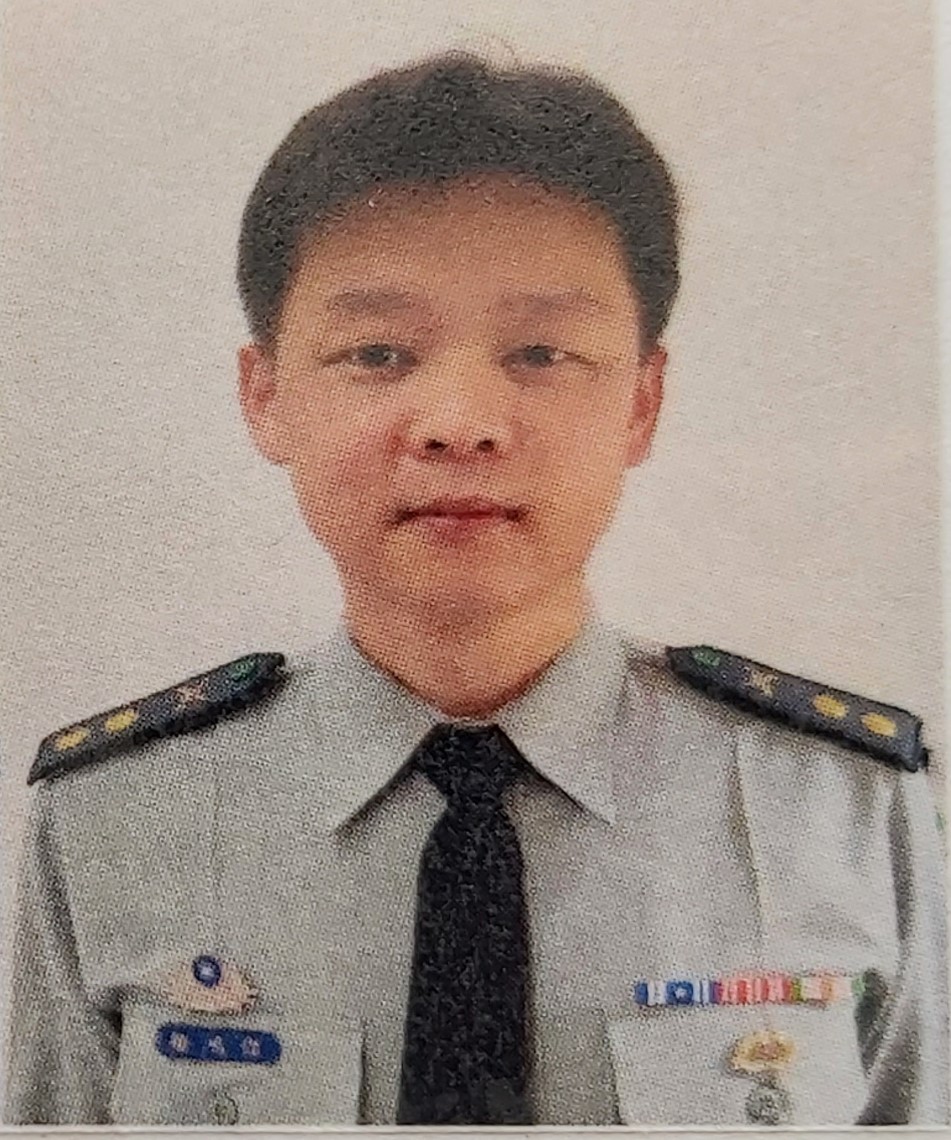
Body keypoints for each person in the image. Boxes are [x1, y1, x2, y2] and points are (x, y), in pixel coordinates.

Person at [4, 51, 947, 1128]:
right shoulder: (115, 819)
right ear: (265, 396)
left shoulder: (843, 812)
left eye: (541, 351)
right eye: (377, 352)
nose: (461, 422)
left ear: (642, 401)